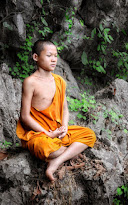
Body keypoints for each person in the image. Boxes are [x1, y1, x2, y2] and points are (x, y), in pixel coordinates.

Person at [16, 39, 96, 181]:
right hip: (38, 133)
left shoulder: (59, 80)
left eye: (55, 56)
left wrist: (64, 127)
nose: (54, 60)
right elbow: (25, 116)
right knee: (43, 146)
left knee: (89, 135)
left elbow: (65, 109)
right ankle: (70, 152)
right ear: (36, 57)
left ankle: (56, 161)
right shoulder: (30, 82)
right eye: (49, 56)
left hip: (57, 131)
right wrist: (47, 133)